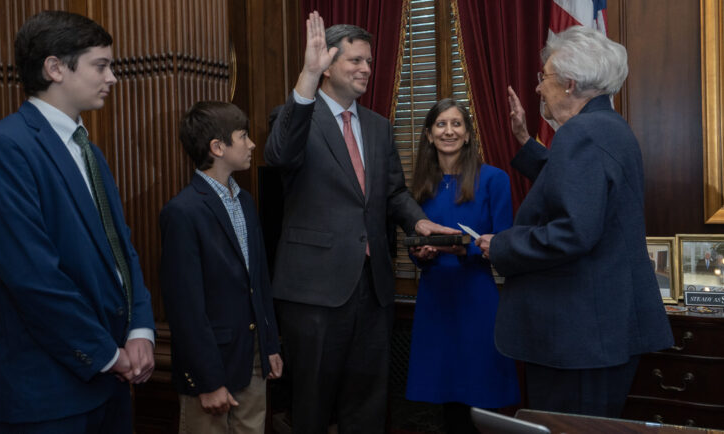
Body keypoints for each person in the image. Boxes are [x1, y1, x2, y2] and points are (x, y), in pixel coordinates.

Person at [264, 11, 457, 433]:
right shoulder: (293, 116)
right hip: (314, 292)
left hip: (372, 289)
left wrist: (418, 222)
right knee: (311, 408)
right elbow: (278, 155)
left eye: (369, 61)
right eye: (355, 60)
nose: (367, 68)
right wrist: (307, 77)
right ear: (327, 65)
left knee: (367, 406)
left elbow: (394, 192)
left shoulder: (378, 126)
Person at [0, 11, 155, 432]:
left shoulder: (89, 149)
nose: (112, 78)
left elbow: (121, 248)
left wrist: (140, 327)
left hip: (112, 381)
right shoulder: (3, 147)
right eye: (101, 65)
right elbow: (32, 276)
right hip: (49, 390)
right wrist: (106, 354)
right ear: (55, 68)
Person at [475, 25, 673, 418]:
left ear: (568, 84)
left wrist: (501, 246)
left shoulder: (580, 133)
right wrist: (526, 144)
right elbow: (581, 188)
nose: (538, 88)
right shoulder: (609, 128)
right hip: (601, 329)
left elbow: (573, 231)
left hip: (578, 335)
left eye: (544, 77)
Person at [160, 101, 283, 433]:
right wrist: (208, 380)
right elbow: (185, 307)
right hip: (211, 362)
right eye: (243, 136)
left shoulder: (246, 201)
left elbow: (259, 280)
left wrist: (270, 345)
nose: (252, 144)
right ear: (217, 147)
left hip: (253, 356)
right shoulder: (183, 212)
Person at [405, 99, 520, 434]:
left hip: (477, 298)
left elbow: (504, 245)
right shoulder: (420, 186)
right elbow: (413, 246)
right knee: (447, 400)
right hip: (435, 298)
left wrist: (464, 249)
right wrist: (421, 254)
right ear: (429, 135)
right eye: (441, 124)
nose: (449, 131)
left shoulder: (495, 180)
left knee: (482, 393)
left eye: (457, 124)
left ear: (468, 134)